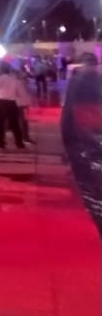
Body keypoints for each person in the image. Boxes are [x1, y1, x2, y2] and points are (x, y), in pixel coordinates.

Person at [61, 53, 102, 239]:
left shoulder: (75, 83)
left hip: (83, 143)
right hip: (90, 140)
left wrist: (68, 145)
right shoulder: (96, 81)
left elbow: (67, 116)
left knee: (92, 191)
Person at [0, 62, 28, 149]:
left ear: (1, 70)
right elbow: (22, 93)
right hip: (11, 103)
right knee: (15, 124)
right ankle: (19, 142)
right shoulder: (14, 80)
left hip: (0, 102)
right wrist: (24, 103)